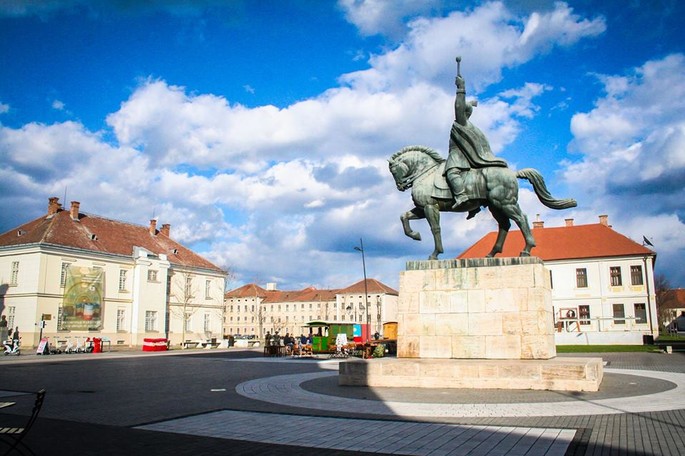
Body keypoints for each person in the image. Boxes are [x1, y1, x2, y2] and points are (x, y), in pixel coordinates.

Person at [445, 57, 507, 218]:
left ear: (464, 113)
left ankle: (462, 196)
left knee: (451, 172)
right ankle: (473, 206)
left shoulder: (462, 123)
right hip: (468, 158)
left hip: (459, 158)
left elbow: (458, 106)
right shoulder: (473, 128)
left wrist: (461, 89)